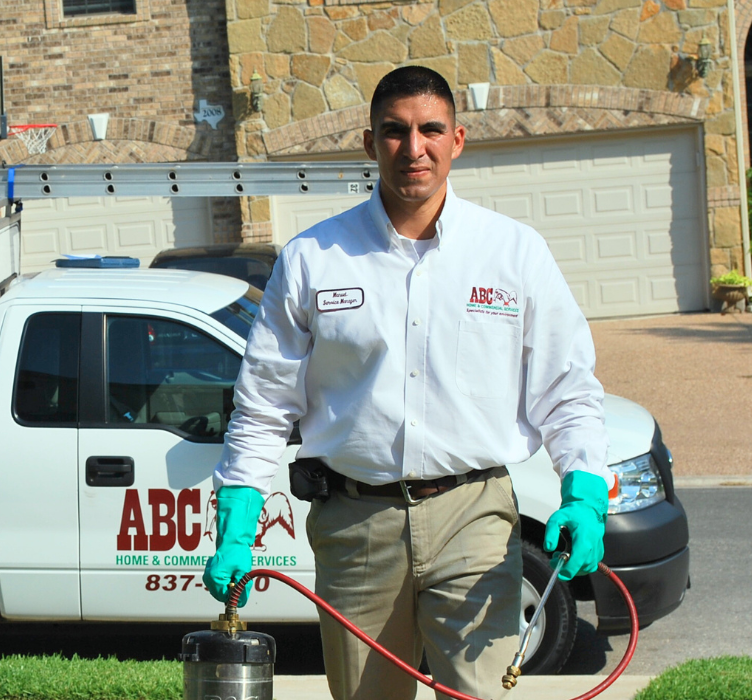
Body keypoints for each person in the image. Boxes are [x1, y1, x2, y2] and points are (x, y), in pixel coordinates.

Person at [201, 66, 615, 700]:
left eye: (430, 130)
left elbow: (567, 389)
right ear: (370, 143)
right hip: (356, 523)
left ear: (458, 140)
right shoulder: (313, 258)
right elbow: (264, 404)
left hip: (476, 516)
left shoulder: (513, 253)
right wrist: (237, 522)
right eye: (394, 131)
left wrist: (583, 491)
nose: (413, 148)